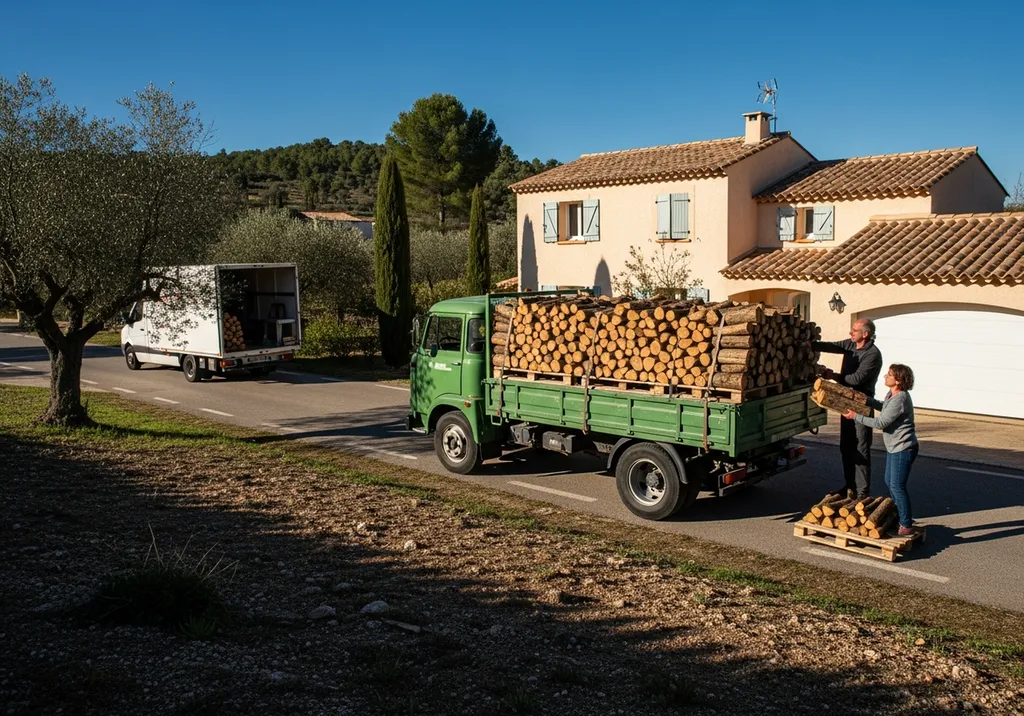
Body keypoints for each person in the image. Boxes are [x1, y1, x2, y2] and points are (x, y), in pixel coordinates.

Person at [842, 364, 920, 536]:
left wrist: (856, 417)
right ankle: (899, 517)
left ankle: (906, 524)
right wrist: (866, 400)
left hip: (903, 448)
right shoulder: (892, 395)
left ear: (898, 380)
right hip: (894, 447)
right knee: (889, 481)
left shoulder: (900, 399)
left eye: (890, 374)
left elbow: (880, 423)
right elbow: (883, 406)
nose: (885, 376)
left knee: (897, 486)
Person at [814, 318, 883, 498]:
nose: (850, 333)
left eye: (854, 330)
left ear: (865, 334)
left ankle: (862, 493)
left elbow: (856, 379)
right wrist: (809, 343)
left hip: (861, 405)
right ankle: (849, 487)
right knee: (846, 447)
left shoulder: (872, 354)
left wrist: (833, 376)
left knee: (860, 449)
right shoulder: (850, 345)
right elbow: (832, 346)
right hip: (846, 403)